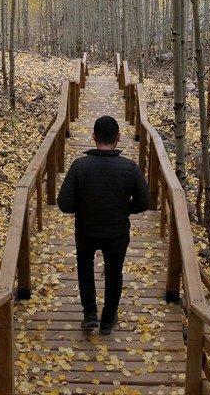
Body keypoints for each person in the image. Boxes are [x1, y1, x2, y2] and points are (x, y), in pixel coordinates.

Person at [57, 114, 152, 334]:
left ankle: (90, 314)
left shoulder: (80, 166)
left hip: (86, 229)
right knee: (114, 272)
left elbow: (64, 203)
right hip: (117, 231)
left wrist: (83, 206)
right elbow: (145, 201)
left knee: (85, 268)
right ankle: (108, 320)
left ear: (93, 137)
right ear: (118, 137)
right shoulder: (130, 168)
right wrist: (124, 209)